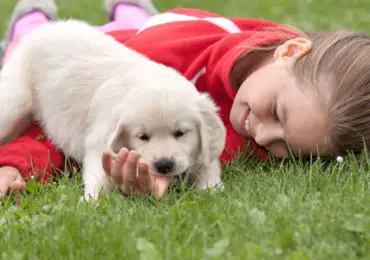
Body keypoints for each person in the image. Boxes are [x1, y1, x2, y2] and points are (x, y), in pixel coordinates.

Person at [0, 0, 369, 198]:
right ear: (289, 50)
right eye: (276, 112)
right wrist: (16, 162)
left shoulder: (284, 93)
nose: (260, 134)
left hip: (147, 35)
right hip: (120, 44)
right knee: (29, 48)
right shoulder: (165, 61)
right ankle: (28, 21)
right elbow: (65, 115)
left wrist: (162, 179)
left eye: (286, 148)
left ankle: (133, 7)